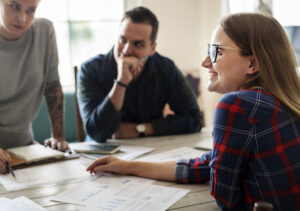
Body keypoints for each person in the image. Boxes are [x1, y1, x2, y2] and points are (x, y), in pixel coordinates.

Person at [87, 13, 300, 210]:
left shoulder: (237, 105)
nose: (205, 62)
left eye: (216, 51)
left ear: (252, 63)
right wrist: (129, 167)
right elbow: (210, 162)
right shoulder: (282, 100)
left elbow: (225, 199)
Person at [77, 7, 204, 143]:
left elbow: (195, 119)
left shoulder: (165, 68)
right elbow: (96, 133)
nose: (126, 51)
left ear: (152, 49)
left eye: (138, 44)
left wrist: (144, 128)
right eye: (122, 40)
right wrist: (121, 82)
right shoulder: (90, 70)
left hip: (150, 151)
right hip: (102, 154)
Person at [0, 0, 69, 174]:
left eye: (31, 10)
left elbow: (52, 86)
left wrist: (58, 137)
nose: (22, 19)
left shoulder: (45, 31)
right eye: (14, 6)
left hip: (24, 148)